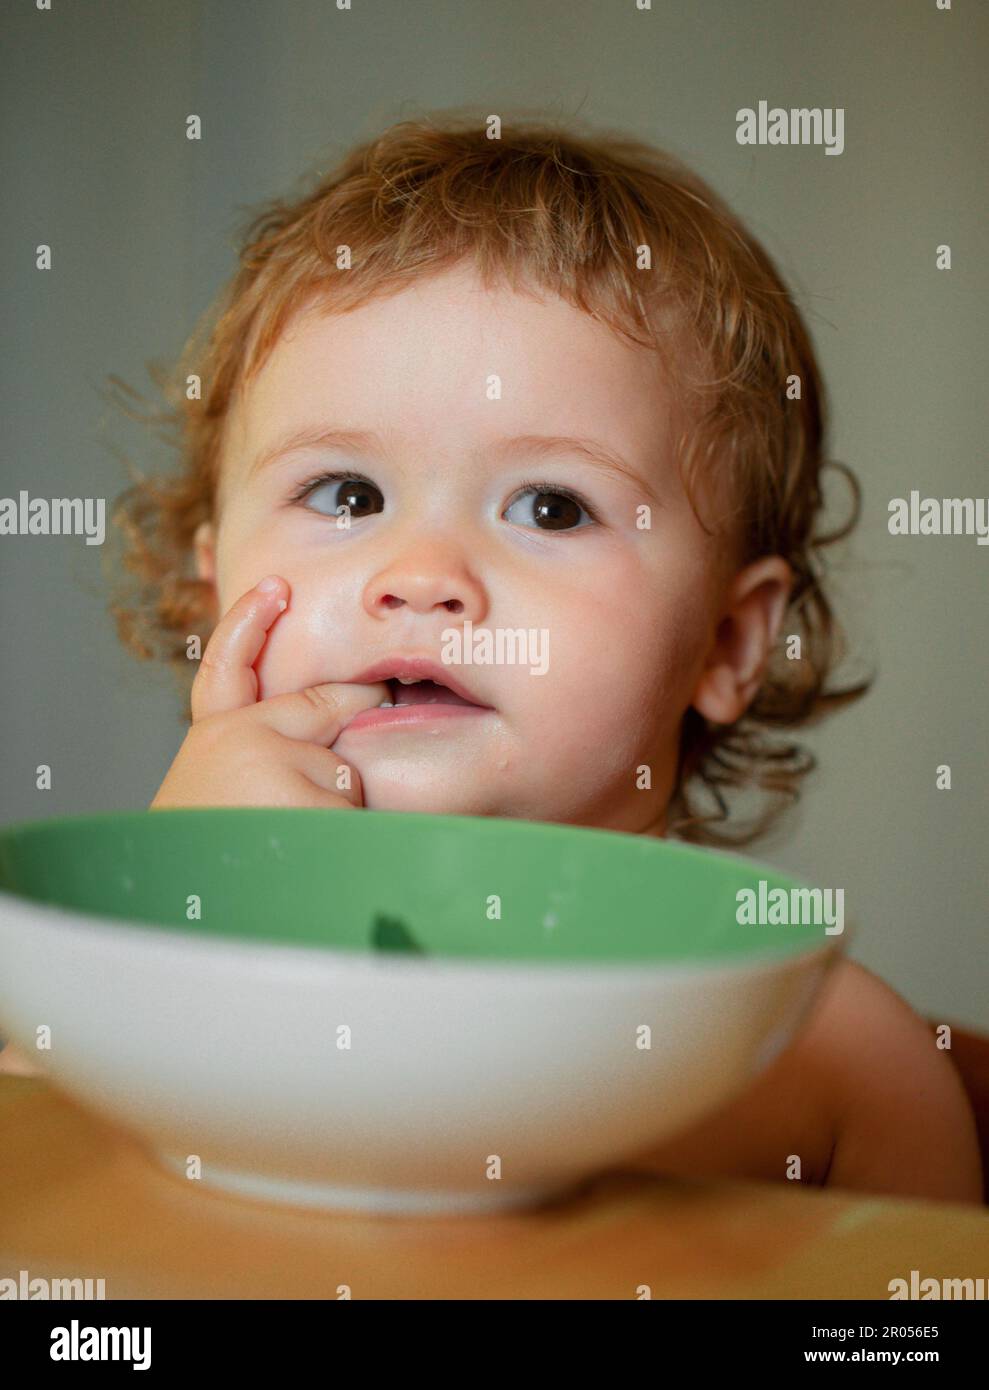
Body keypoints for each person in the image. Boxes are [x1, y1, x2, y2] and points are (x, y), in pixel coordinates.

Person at [10, 116, 979, 1203]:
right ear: (211, 592)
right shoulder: (76, 987)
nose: (421, 575)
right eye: (345, 494)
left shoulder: (841, 1063)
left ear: (725, 643)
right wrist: (182, 900)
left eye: (551, 506)